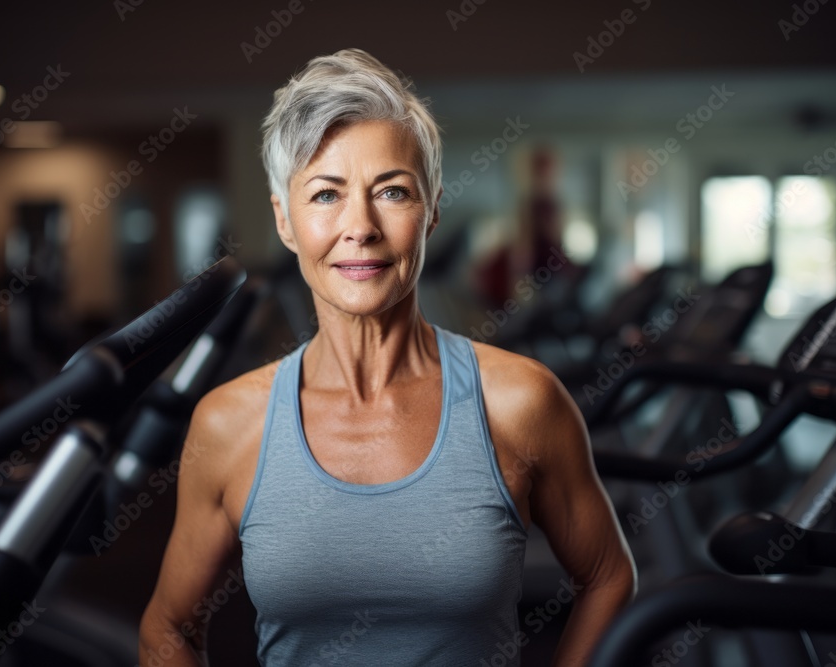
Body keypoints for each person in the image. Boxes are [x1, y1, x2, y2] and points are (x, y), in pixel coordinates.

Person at [139, 48, 635, 667]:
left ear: (429, 213)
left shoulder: (521, 402)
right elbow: (166, 628)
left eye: (392, 192)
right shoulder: (229, 424)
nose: (361, 227)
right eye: (325, 195)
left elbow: (608, 576)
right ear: (285, 221)